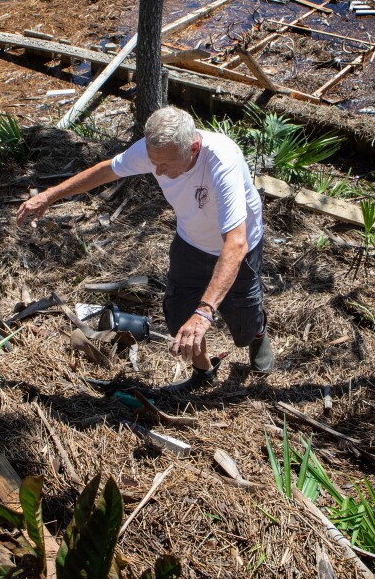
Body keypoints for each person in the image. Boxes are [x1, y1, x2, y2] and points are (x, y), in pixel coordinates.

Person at [16, 106, 271, 389]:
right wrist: (50, 196)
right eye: (154, 163)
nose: (158, 171)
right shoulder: (158, 152)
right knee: (179, 319)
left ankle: (258, 331)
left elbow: (236, 243)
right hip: (190, 242)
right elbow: (105, 171)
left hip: (238, 249)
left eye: (167, 164)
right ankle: (204, 373)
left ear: (194, 146)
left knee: (244, 328)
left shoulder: (223, 161)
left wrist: (205, 313)